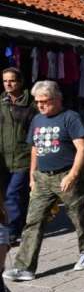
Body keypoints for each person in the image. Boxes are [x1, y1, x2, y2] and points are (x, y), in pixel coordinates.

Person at [4, 81, 84, 282]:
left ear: (57, 99)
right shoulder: (37, 119)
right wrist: (32, 175)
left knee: (79, 216)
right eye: (37, 101)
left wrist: (73, 175)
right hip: (42, 177)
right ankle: (24, 267)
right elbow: (34, 148)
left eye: (45, 101)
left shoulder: (71, 117)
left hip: (65, 174)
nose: (40, 105)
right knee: (33, 221)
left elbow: (83, 148)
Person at [0, 67, 36, 245]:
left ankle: (13, 232)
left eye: (12, 80)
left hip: (23, 157)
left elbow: (35, 131)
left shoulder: (32, 104)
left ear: (20, 82)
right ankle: (19, 226)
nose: (8, 84)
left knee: (12, 195)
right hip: (3, 160)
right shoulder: (1, 102)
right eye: (5, 80)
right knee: (13, 195)